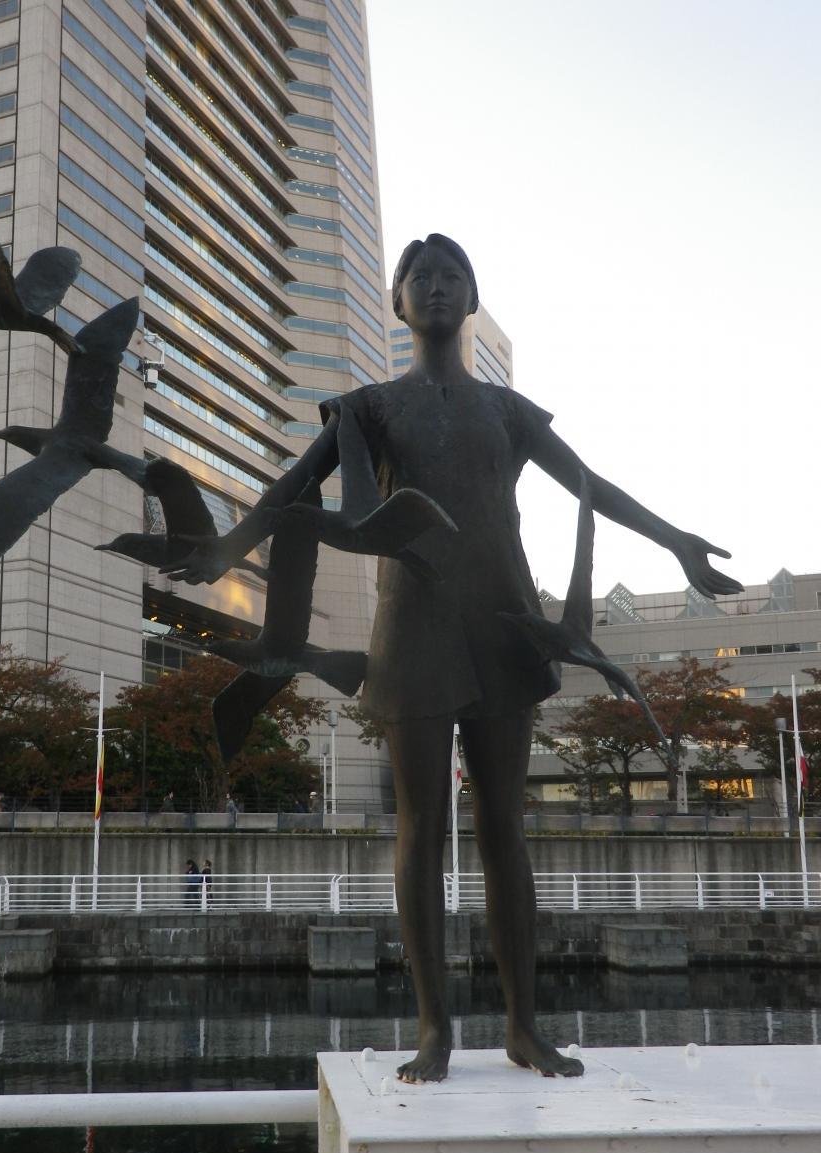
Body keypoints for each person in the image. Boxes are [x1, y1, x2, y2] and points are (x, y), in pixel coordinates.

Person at [169, 234, 743, 1083]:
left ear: (472, 299)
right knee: (420, 826)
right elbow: (293, 489)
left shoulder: (507, 411)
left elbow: (591, 485)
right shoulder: (368, 408)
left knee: (505, 825)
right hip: (413, 624)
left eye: (452, 277)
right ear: (399, 302)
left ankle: (522, 1026)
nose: (436, 288)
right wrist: (226, 549)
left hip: (506, 619)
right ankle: (435, 1027)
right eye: (421, 278)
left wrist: (676, 540)